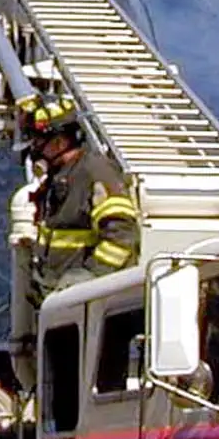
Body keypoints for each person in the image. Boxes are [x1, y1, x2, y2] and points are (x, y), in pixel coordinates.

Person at [25, 96, 140, 292]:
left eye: (38, 142)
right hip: (56, 293)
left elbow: (123, 235)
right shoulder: (60, 175)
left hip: (86, 301)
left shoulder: (95, 172)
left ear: (59, 143)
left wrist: (91, 276)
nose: (34, 149)